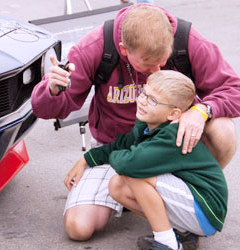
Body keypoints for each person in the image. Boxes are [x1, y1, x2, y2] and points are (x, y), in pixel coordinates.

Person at [31, 4, 240, 241]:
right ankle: (141, 194)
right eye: (146, 63)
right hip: (117, 143)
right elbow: (48, 110)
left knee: (223, 129)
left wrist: (202, 110)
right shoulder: (93, 48)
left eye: (162, 61)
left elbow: (239, 90)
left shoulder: (187, 40)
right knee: (78, 227)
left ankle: (187, 209)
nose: (155, 72)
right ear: (124, 50)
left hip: (170, 145)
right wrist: (52, 90)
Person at [65, 70, 228, 250]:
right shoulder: (149, 123)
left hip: (206, 208)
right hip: (190, 203)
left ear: (173, 114)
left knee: (134, 174)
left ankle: (167, 243)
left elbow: (128, 164)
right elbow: (123, 144)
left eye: (153, 100)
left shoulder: (172, 135)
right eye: (144, 93)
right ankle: (181, 232)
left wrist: (121, 157)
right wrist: (87, 159)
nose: (142, 100)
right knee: (117, 186)